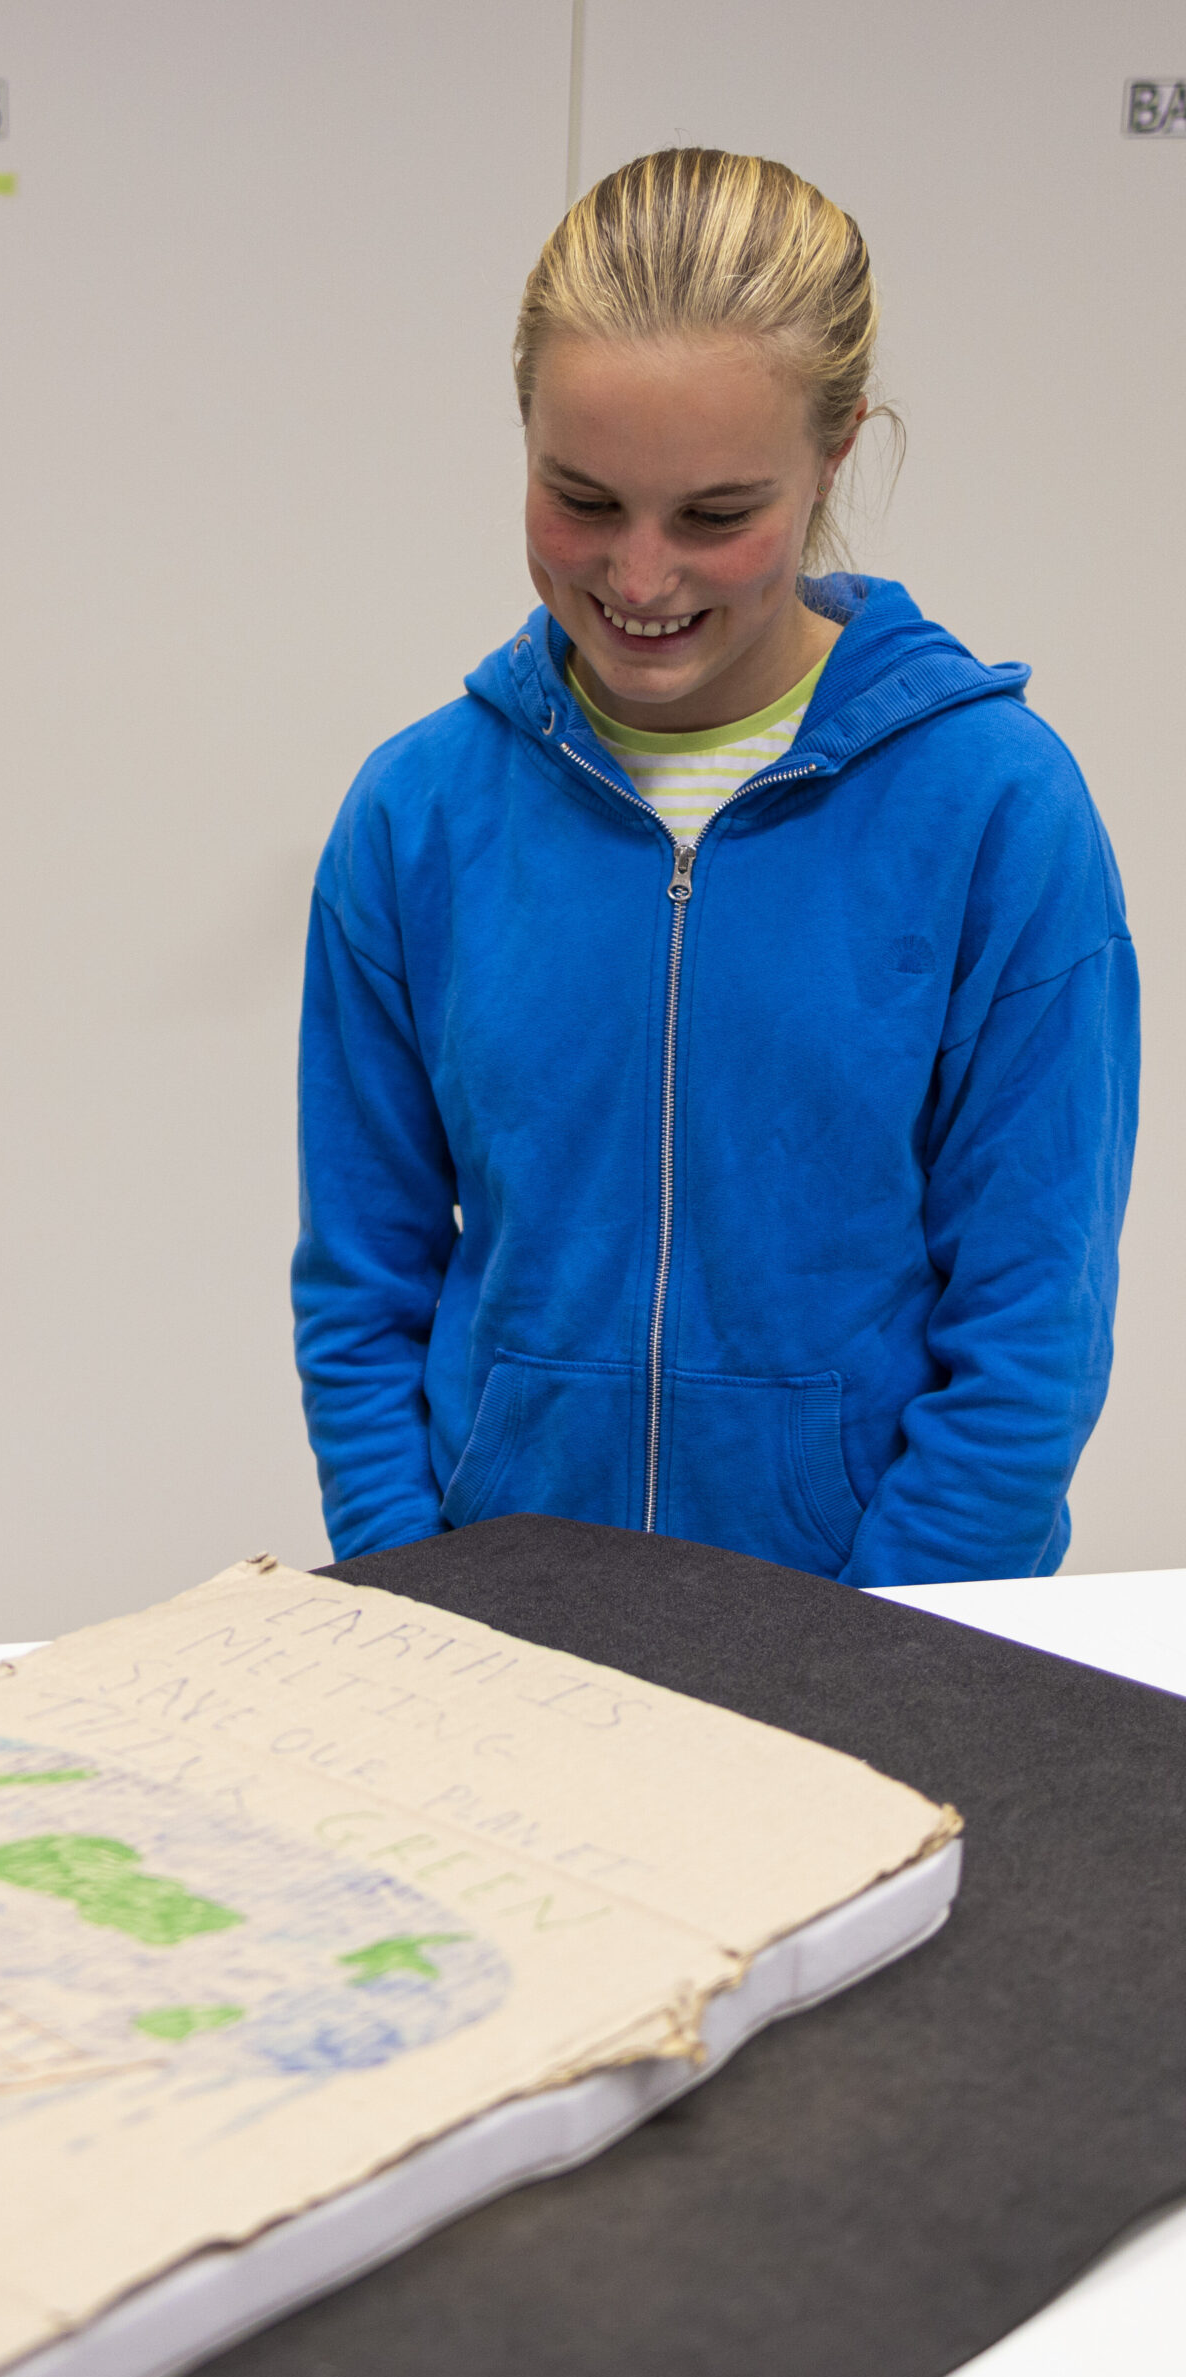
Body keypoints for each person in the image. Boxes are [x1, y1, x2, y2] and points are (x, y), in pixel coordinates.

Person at [293, 150, 1136, 1586]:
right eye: (582, 498)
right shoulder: (417, 815)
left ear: (837, 453)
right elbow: (362, 1293)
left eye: (713, 515)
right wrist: (408, 1606)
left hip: (868, 1644)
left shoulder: (997, 811)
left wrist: (894, 1664)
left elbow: (1028, 1328)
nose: (638, 576)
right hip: (487, 1643)